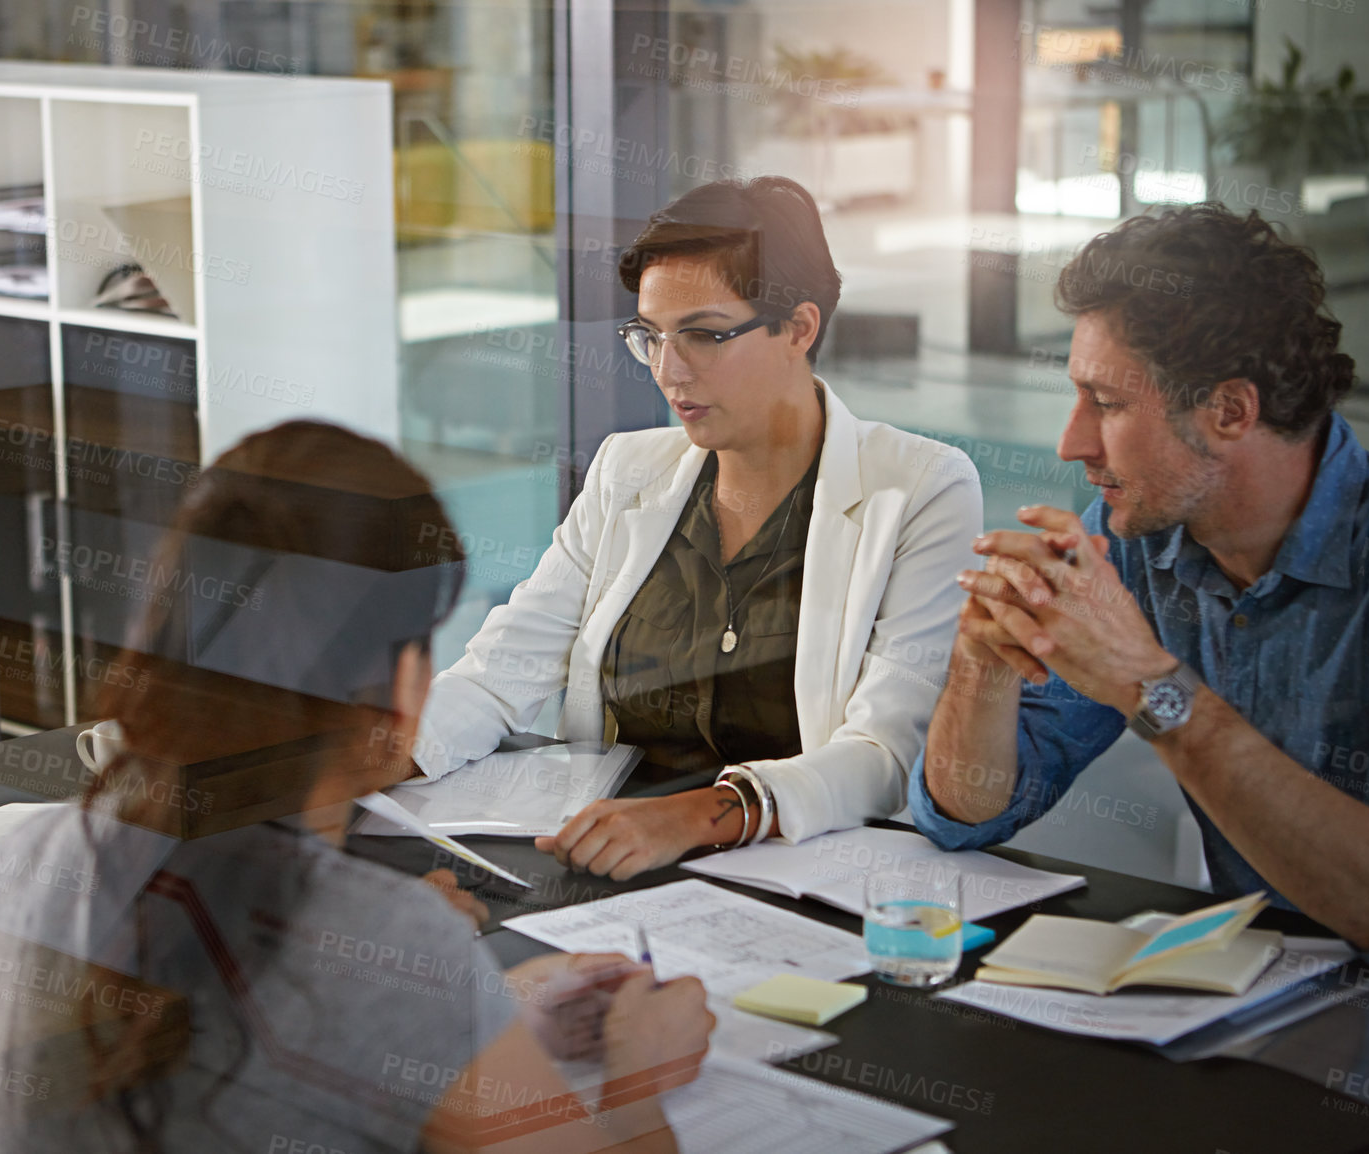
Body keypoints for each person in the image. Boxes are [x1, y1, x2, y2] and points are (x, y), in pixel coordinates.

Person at [0, 421, 715, 1153]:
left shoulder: (46, 855)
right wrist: (639, 1071)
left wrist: (478, 1008)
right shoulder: (383, 939)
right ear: (402, 684)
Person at [412, 176, 982, 879]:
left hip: (797, 876)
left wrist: (695, 816)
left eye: (704, 335)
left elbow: (887, 751)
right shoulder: (628, 470)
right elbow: (499, 675)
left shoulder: (919, 488)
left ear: (799, 329)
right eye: (649, 336)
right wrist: (375, 752)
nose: (667, 370)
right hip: (608, 862)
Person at [911, 204, 1369, 972]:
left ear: (1231, 410)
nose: (1072, 444)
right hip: (1250, 1006)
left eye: (1105, 404)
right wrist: (985, 661)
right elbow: (968, 814)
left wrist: (1149, 685)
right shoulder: (1138, 534)